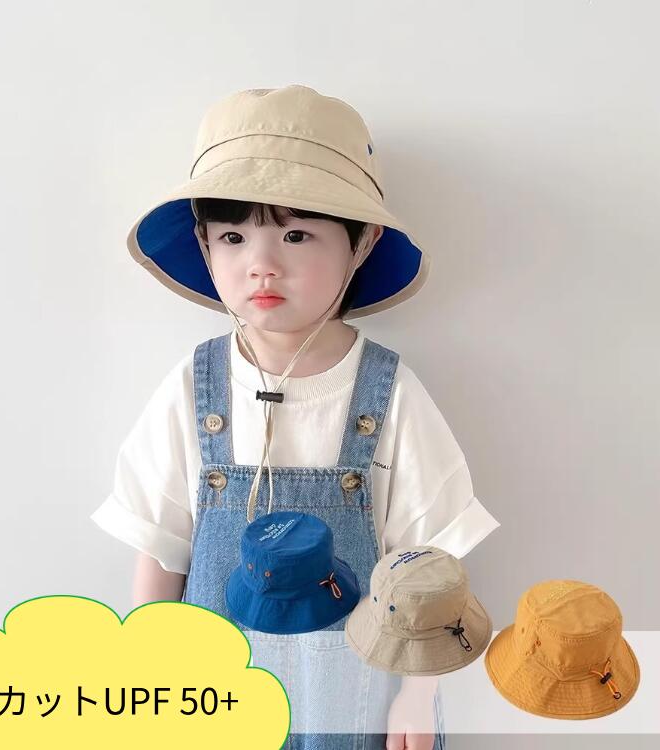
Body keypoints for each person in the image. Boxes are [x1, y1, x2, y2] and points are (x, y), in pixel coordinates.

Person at [91, 84, 500, 750]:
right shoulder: (193, 388)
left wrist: (416, 696)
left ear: (362, 243)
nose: (262, 264)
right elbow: (161, 551)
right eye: (233, 236)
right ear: (203, 245)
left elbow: (429, 569)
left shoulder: (388, 393)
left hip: (355, 704)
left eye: (296, 233)